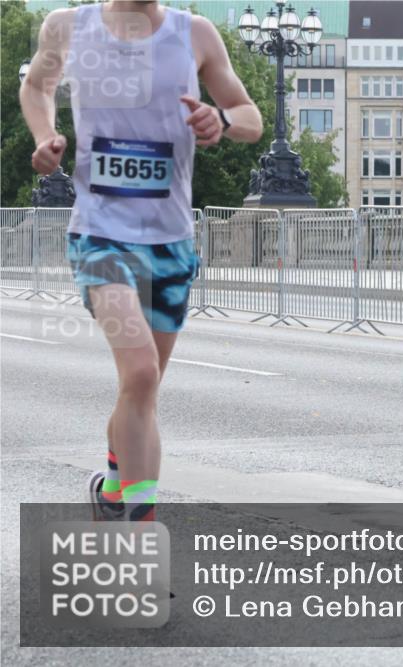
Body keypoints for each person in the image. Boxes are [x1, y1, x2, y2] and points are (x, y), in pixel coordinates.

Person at [20, 0, 263, 521]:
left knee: (140, 387)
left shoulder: (194, 33)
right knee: (142, 373)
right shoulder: (67, 26)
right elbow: (36, 86)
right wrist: (46, 137)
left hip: (171, 242)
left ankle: (112, 488)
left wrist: (219, 119)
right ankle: (137, 537)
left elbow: (251, 118)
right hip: (100, 236)